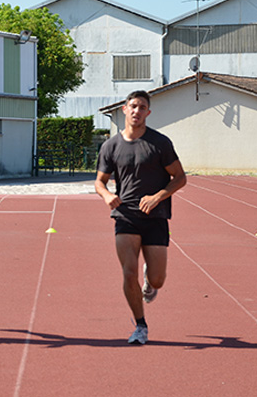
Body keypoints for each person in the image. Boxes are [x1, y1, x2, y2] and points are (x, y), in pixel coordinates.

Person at [95, 90, 186, 345]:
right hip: (125, 216)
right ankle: (140, 325)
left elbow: (180, 178)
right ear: (124, 110)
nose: (137, 111)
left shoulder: (160, 143)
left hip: (156, 216)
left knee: (158, 279)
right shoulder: (111, 146)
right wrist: (106, 196)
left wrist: (158, 196)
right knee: (127, 272)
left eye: (142, 107)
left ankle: (150, 279)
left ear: (148, 112)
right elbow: (99, 182)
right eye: (133, 106)